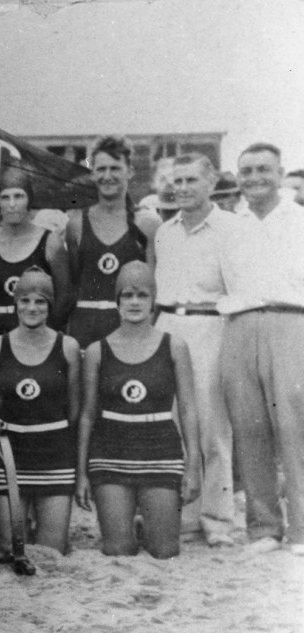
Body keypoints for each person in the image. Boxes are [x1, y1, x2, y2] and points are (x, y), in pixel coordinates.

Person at [147, 152, 243, 547]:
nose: (181, 188)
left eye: (190, 180)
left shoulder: (231, 228)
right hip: (168, 325)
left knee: (211, 426)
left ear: (211, 183)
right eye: (176, 181)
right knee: (172, 424)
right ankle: (185, 515)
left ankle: (218, 519)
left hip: (211, 326)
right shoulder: (164, 231)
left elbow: (239, 289)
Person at [76, 262, 201, 558]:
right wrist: (82, 473)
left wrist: (193, 465)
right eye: (127, 295)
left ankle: (151, 519)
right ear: (116, 301)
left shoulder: (174, 346)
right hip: (111, 455)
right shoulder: (96, 351)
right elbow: (87, 416)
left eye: (142, 295)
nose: (134, 302)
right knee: (118, 549)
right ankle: (127, 520)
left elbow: (188, 409)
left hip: (160, 453)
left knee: (165, 551)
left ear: (153, 301)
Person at [219, 143, 304, 555]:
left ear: (280, 172)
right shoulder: (230, 225)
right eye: (246, 170)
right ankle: (264, 528)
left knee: (294, 427)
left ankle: (302, 531)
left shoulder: (299, 220)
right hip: (239, 325)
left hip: (290, 322)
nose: (254, 177)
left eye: (263, 169)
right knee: (249, 428)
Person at [0, 267, 81, 553]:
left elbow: (74, 411)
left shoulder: (69, 347)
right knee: (12, 549)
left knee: (51, 551)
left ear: (50, 306)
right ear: (15, 304)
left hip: (54, 457)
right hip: (12, 455)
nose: (32, 308)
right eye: (25, 300)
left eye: (40, 301)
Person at [64, 136, 160, 348]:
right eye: (101, 169)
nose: (107, 176)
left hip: (130, 327)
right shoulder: (76, 224)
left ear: (130, 171)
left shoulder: (147, 224)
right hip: (84, 328)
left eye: (115, 168)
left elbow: (154, 289)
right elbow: (72, 286)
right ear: (92, 173)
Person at [0, 168, 72, 347]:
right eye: (5, 197)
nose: (12, 204)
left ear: (29, 200)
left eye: (19, 196)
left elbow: (63, 300)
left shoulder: (51, 243)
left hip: (39, 338)